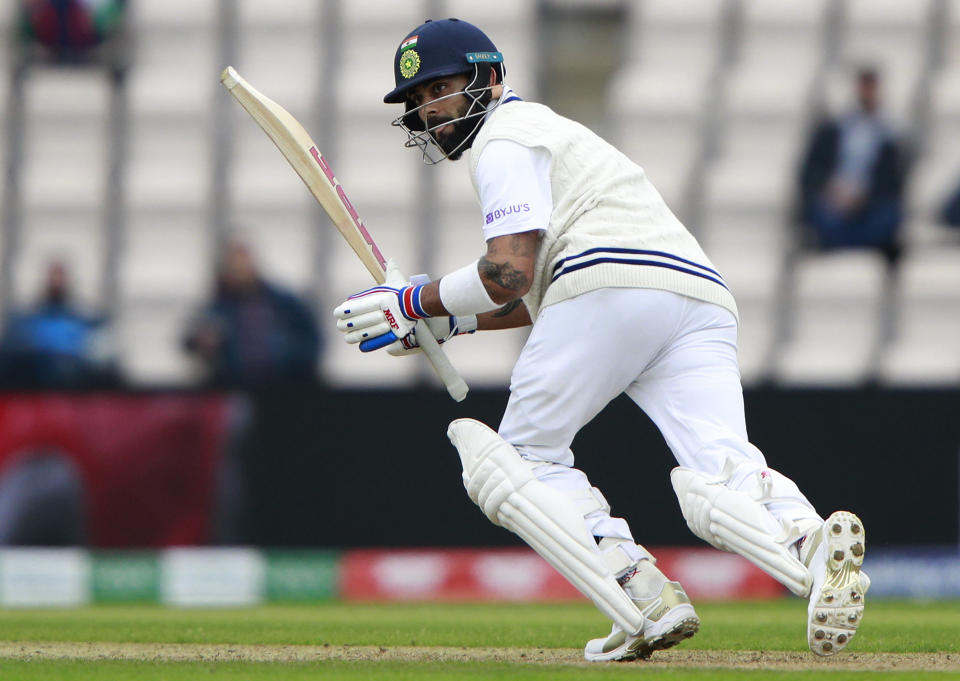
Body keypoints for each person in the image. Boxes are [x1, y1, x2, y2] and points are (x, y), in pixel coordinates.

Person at [333, 18, 869, 661]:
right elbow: (537, 294)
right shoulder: (552, 133)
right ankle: (813, 546)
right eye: (417, 101)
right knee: (723, 468)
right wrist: (443, 319)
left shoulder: (503, 141)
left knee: (520, 461)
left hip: (608, 287)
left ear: (490, 76)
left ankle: (639, 591)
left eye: (439, 88)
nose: (429, 110)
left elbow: (508, 273)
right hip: (695, 293)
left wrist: (412, 301)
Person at [798, 66, 907, 265]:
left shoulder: (890, 135)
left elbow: (893, 181)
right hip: (834, 201)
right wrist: (833, 190)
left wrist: (864, 196)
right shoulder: (831, 130)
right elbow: (811, 171)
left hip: (871, 204)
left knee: (887, 217)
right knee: (821, 215)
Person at [183, 238, 321, 387]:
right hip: (236, 387)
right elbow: (190, 341)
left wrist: (287, 359)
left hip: (284, 386)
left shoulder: (284, 303)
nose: (239, 269)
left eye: (242, 263)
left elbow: (312, 341)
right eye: (233, 265)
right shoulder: (219, 308)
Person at [0, 259, 116, 387]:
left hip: (75, 379)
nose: (57, 283)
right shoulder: (28, 319)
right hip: (36, 378)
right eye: (53, 278)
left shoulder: (83, 320)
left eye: (60, 278)